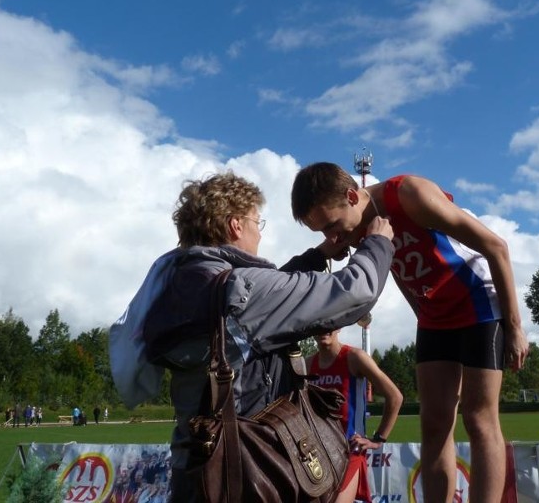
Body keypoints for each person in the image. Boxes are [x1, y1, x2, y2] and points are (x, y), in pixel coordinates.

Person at [133, 172, 395, 501]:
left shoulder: (185, 282)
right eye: (258, 222)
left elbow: (257, 310)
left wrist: (316, 257)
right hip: (248, 471)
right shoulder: (241, 290)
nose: (260, 231)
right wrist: (377, 244)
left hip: (196, 468)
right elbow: (354, 293)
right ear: (235, 225)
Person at [291, 162, 529, 503]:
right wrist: (423, 317)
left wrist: (515, 327)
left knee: (478, 418)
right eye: (322, 233)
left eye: (332, 225)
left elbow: (496, 248)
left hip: (477, 302)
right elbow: (401, 274)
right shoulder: (361, 231)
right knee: (433, 425)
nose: (333, 238)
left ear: (352, 196)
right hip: (434, 316)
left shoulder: (408, 194)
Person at [307, 328, 403, 503]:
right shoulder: (307, 364)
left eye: (329, 323)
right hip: (317, 455)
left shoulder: (354, 357)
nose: (323, 330)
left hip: (349, 452)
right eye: (317, 325)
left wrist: (378, 439)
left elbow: (395, 397)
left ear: (339, 326)